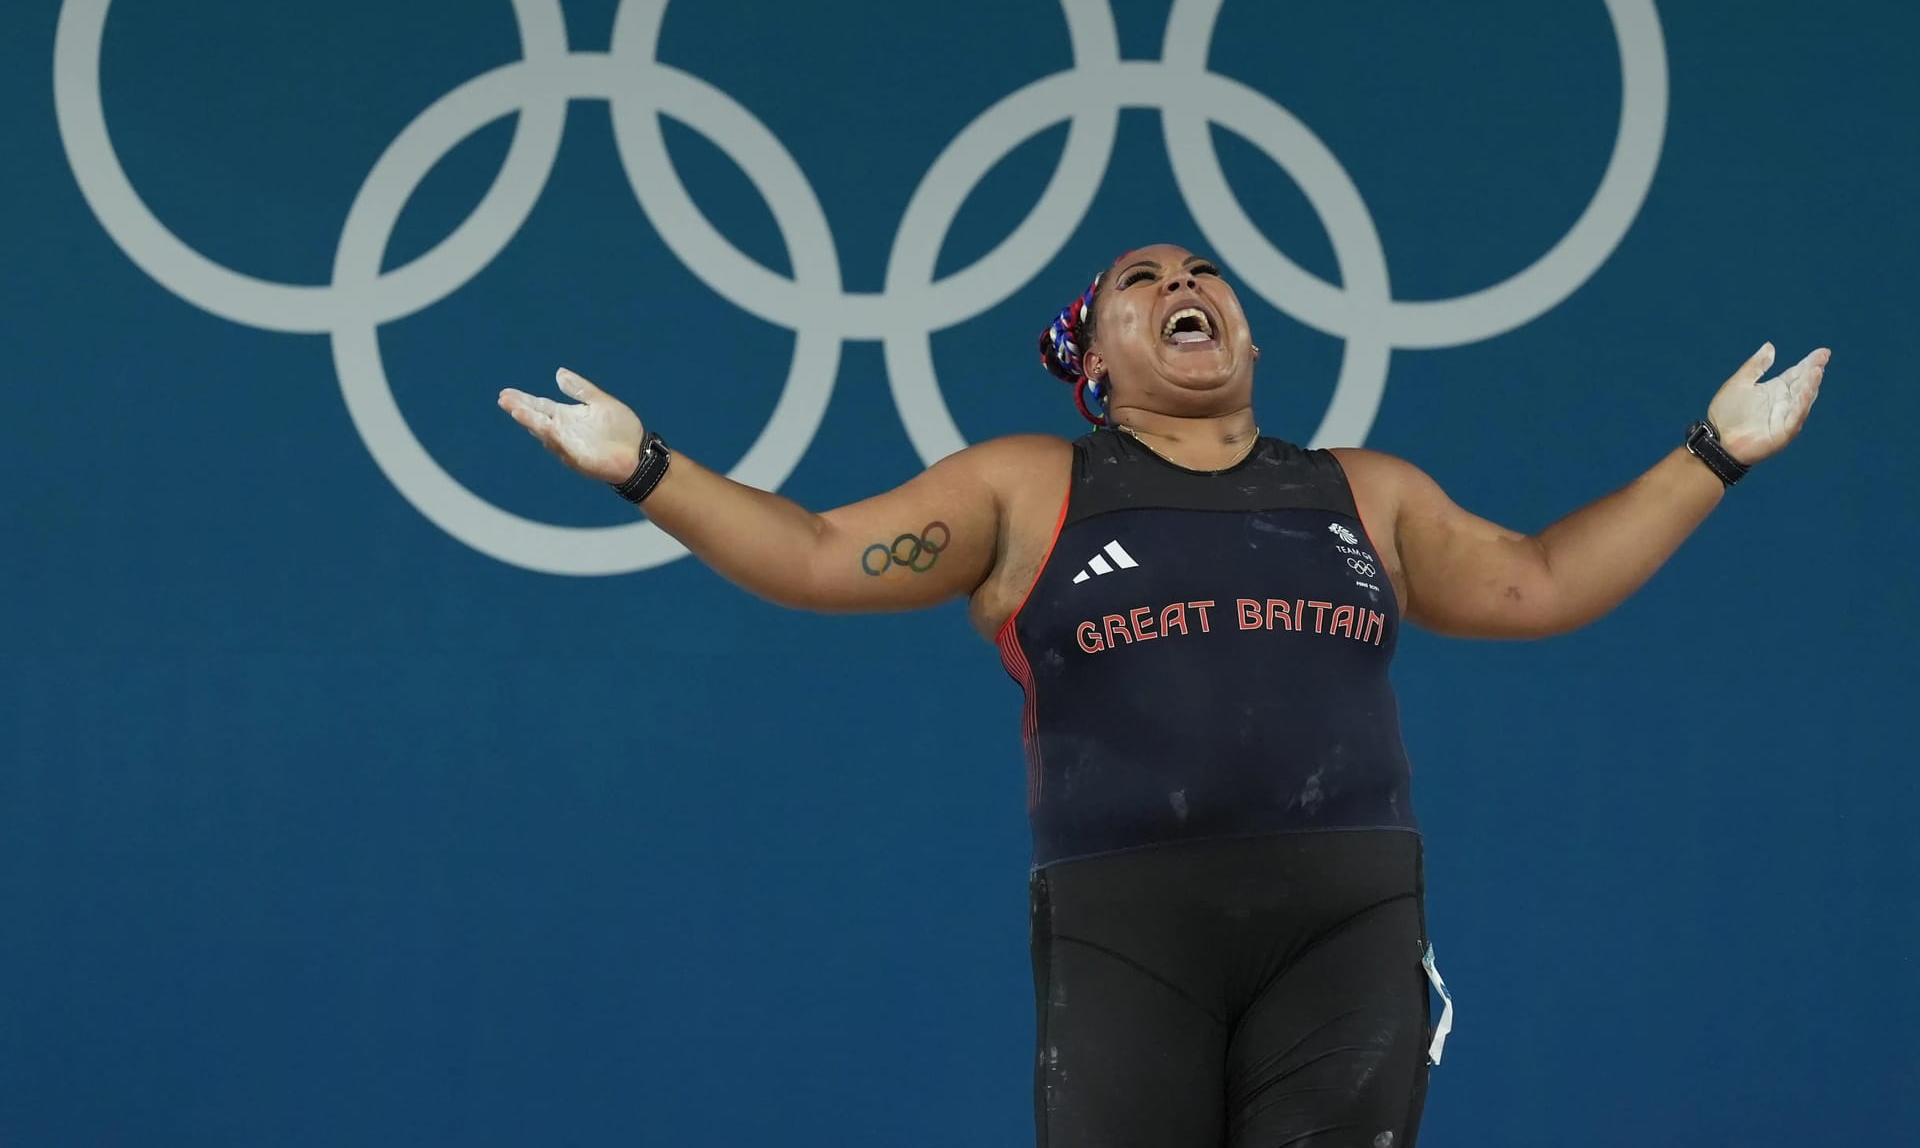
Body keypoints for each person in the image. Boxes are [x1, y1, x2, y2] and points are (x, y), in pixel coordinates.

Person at [497, 243, 1828, 1148]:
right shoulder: (1028, 488)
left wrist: (1715, 455)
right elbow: (808, 555)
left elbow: (1541, 582)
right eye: (1145, 281)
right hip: (1130, 934)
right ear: (1099, 361)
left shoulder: (1366, 491)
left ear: (1245, 333)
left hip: (1344, 927)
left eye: (1205, 277)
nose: (1184, 284)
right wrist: (644, 466)